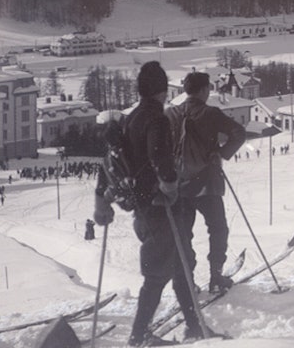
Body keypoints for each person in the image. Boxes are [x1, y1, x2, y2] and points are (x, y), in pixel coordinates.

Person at [93, 61, 210, 346]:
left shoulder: (131, 117)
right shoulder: (156, 118)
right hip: (159, 208)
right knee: (158, 273)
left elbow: (112, 161)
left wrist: (102, 202)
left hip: (146, 207)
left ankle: (195, 328)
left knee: (182, 266)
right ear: (161, 90)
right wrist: (169, 187)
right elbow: (160, 157)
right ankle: (139, 335)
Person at [165, 71, 246, 293]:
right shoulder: (210, 113)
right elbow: (239, 132)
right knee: (218, 228)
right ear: (203, 90)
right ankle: (216, 277)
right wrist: (220, 153)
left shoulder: (170, 114)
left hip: (179, 186)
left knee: (183, 235)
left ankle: (187, 281)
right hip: (207, 184)